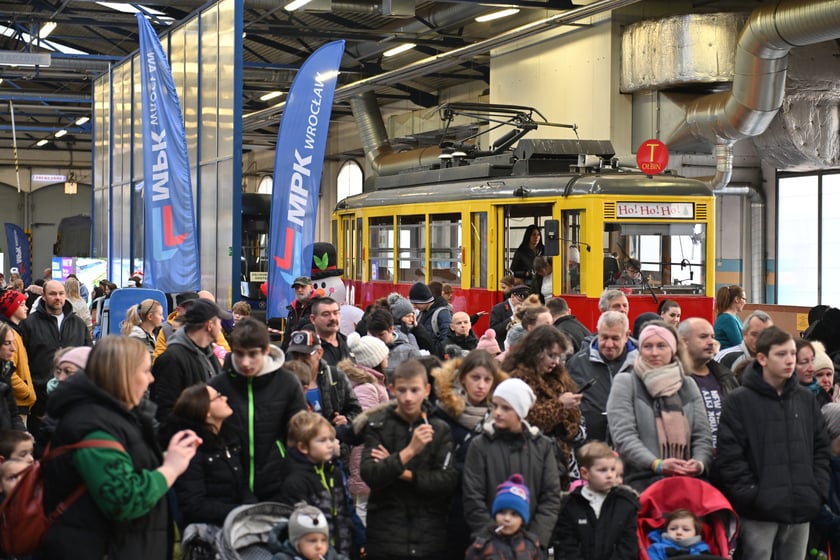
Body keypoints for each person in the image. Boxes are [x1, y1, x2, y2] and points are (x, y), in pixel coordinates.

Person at [37, 335, 201, 559]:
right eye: (145, 371)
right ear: (124, 376)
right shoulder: (91, 425)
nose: (151, 379)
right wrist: (171, 467)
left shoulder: (114, 416)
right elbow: (124, 499)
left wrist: (169, 456)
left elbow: (127, 465)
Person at [715, 325, 831, 560]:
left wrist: (816, 490)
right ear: (762, 358)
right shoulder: (740, 401)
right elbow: (731, 455)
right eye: (781, 354)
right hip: (759, 512)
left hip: (801, 506)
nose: (789, 360)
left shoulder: (805, 399)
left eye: (792, 354)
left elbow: (820, 449)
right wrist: (751, 495)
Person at [360, 359, 458, 560]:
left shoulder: (439, 429)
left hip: (429, 534)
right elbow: (370, 475)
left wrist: (399, 470)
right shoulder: (378, 425)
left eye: (414, 390)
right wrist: (410, 451)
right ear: (392, 389)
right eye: (402, 390)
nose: (408, 398)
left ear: (427, 389)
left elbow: (446, 482)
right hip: (386, 534)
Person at [606, 321, 712, 491]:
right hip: (639, 483)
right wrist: (657, 464)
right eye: (648, 346)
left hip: (687, 482)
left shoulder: (688, 385)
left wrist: (698, 463)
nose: (654, 353)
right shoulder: (626, 382)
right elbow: (624, 436)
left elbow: (702, 434)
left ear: (673, 349)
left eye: (661, 346)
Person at [209, 318, 307, 501]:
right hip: (230, 486)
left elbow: (299, 436)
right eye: (239, 354)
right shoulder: (218, 385)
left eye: (253, 354)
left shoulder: (287, 383)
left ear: (266, 351)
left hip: (277, 483)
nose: (245, 362)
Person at [462, 378, 562, 554]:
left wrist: (535, 540)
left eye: (506, 408)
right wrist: (489, 537)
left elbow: (550, 496)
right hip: (490, 547)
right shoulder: (480, 445)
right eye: (496, 406)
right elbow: (473, 495)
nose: (498, 413)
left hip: (531, 547)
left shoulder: (542, 446)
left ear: (520, 411)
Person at [433, 349, 508, 558]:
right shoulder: (443, 415)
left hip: (491, 509)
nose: (481, 385)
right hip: (451, 511)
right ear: (463, 378)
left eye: (487, 379)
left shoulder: (502, 416)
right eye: (475, 378)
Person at [503, 325, 584, 486]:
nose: (556, 362)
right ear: (535, 352)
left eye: (558, 357)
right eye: (551, 355)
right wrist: (560, 405)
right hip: (530, 460)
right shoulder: (518, 379)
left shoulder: (558, 377)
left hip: (560, 460)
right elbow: (526, 418)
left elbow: (573, 421)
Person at [167, 383, 255, 527]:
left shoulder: (230, 439)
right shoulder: (190, 449)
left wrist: (251, 507)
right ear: (205, 410)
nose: (225, 398)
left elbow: (243, 484)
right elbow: (193, 505)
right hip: (209, 530)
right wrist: (239, 512)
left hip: (237, 523)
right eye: (218, 397)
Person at [279, 411, 356, 557]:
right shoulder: (295, 482)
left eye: (331, 439)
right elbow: (302, 527)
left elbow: (346, 512)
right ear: (303, 447)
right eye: (322, 440)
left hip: (343, 550)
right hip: (316, 552)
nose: (330, 445)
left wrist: (358, 541)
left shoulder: (335, 472)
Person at [22, 279, 92, 436]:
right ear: (44, 297)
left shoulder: (78, 324)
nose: (58, 297)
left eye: (61, 294)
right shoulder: (30, 324)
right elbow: (23, 359)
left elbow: (89, 356)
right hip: (40, 396)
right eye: (53, 294)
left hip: (73, 394)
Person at [553, 441, 639, 560]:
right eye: (603, 470)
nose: (610, 475)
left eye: (613, 469)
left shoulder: (625, 503)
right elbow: (567, 546)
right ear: (585, 473)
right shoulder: (570, 505)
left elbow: (628, 546)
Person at [151, 299, 229, 422]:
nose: (221, 327)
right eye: (219, 322)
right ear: (210, 325)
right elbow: (164, 409)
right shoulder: (172, 359)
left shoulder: (209, 354)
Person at [566, 311, 638, 443]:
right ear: (597, 333)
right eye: (604, 337)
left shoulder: (642, 363)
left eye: (615, 338)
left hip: (631, 447)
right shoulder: (577, 364)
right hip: (590, 450)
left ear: (627, 335)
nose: (609, 345)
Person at [286, 330, 362, 445]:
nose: (299, 360)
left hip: (332, 453)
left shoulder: (336, 376)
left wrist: (346, 419)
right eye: (295, 355)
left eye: (305, 355)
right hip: (296, 455)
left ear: (320, 353)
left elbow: (356, 410)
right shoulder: (284, 380)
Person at [678, 318, 739, 449]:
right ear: (684, 342)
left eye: (712, 337)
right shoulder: (674, 381)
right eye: (703, 337)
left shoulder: (726, 376)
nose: (711, 342)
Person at [465, 474, 542, 560]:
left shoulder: (531, 545)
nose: (507, 518)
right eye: (502, 512)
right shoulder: (481, 546)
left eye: (514, 514)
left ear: (522, 519)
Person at [267, 503, 350, 560]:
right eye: (312, 541)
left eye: (324, 540)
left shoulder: (331, 556)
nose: (319, 546)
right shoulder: (283, 558)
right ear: (297, 543)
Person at [0, 289, 35, 425]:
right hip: (17, 402)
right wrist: (27, 393)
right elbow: (9, 370)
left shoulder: (16, 331)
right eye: (22, 304)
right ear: (12, 308)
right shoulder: (10, 334)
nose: (26, 308)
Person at [365, 306, 421, 380]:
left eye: (381, 335)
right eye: (374, 335)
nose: (377, 339)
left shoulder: (409, 350)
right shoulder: (368, 350)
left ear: (391, 328)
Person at [646, 509, 711, 560]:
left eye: (686, 529)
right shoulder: (657, 548)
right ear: (666, 530)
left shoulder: (703, 549)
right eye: (673, 529)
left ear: (695, 533)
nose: (679, 532)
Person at [152, 291, 199, 362]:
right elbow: (158, 359)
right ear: (178, 310)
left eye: (196, 307)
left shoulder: (205, 325)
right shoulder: (167, 330)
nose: (193, 310)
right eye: (188, 307)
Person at [409, 282, 452, 358]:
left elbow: (446, 339)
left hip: (435, 359)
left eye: (417, 303)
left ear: (425, 300)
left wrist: (434, 352)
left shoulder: (442, 313)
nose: (415, 306)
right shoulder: (422, 313)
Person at [309, 297, 353, 367]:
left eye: (336, 313)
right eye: (326, 314)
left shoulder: (348, 344)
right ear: (313, 319)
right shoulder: (308, 349)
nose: (333, 318)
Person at [488, 285, 531, 351]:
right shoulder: (498, 308)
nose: (522, 304)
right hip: (503, 347)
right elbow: (494, 330)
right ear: (512, 297)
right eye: (520, 300)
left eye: (525, 302)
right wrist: (512, 318)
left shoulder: (528, 308)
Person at [282, 276, 314, 351]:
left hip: (310, 351)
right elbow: (287, 335)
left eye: (303, 287)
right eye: (297, 288)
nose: (299, 290)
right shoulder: (293, 308)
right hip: (293, 351)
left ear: (311, 288)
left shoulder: (318, 305)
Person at [713, 285, 746, 350]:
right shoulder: (727, 319)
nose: (745, 302)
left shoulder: (734, 317)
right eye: (744, 299)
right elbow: (740, 345)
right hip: (727, 358)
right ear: (736, 299)